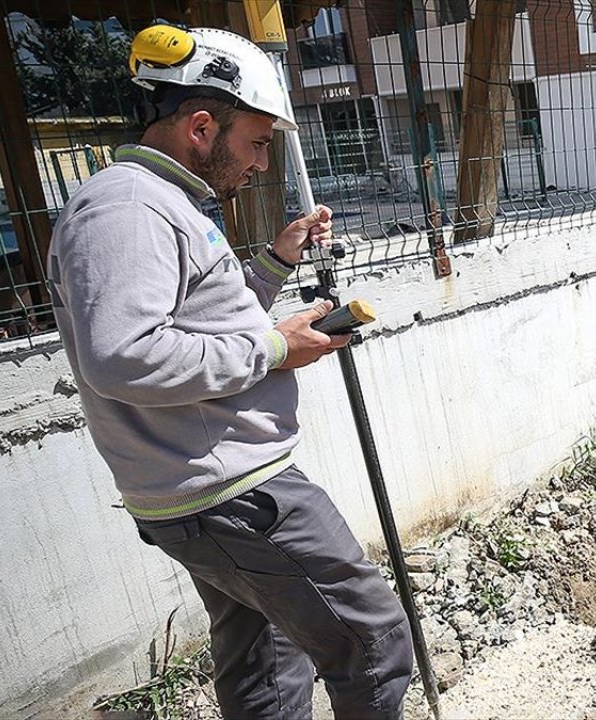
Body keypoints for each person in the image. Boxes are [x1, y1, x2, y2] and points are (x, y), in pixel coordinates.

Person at [47, 26, 411, 719]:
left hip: (204, 491)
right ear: (202, 125)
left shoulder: (160, 202)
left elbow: (197, 322)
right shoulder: (127, 209)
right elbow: (123, 356)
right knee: (372, 641)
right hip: (233, 494)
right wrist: (275, 350)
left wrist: (274, 264)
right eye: (256, 142)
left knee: (267, 654)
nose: (262, 163)